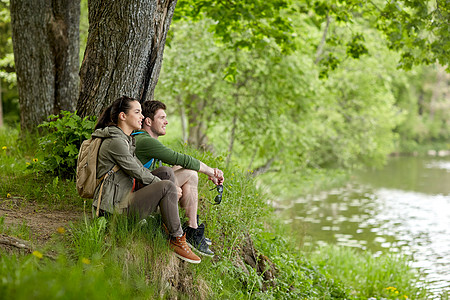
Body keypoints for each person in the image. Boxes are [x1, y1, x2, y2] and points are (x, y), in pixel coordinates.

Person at [91, 95, 201, 264]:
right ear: (123, 116)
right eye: (137, 112)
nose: (142, 117)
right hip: (113, 212)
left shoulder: (126, 140)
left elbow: (141, 170)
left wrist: (167, 183)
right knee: (166, 186)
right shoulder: (116, 142)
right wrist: (170, 188)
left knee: (165, 172)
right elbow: (138, 172)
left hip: (124, 198)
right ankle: (177, 238)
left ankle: (166, 225)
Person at [133, 100, 224, 257]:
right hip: (137, 197)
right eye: (162, 118)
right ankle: (192, 230)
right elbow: (179, 158)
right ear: (148, 121)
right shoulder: (145, 141)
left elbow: (175, 164)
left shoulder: (143, 139)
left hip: (142, 188)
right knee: (190, 173)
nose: (166, 122)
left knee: (186, 171)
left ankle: (191, 228)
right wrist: (211, 171)